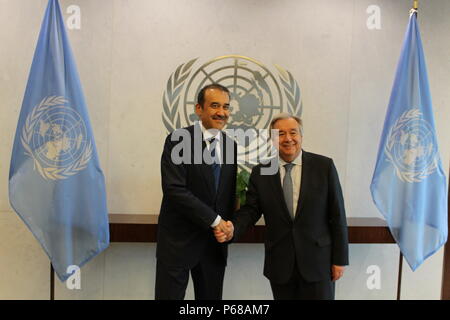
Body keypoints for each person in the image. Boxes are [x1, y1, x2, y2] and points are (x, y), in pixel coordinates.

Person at [215, 113, 349, 300]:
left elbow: (337, 214)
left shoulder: (323, 167)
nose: (288, 139)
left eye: (293, 132)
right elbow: (251, 210)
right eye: (280, 134)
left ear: (301, 136)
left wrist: (340, 259)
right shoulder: (261, 172)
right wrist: (233, 227)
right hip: (280, 264)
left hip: (318, 263)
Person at [155, 84, 237, 300]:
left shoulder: (231, 146)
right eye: (215, 106)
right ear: (199, 109)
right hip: (178, 243)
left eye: (226, 107)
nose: (222, 112)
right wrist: (214, 219)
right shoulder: (178, 140)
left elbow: (224, 194)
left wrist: (227, 227)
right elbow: (175, 190)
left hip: (213, 246)